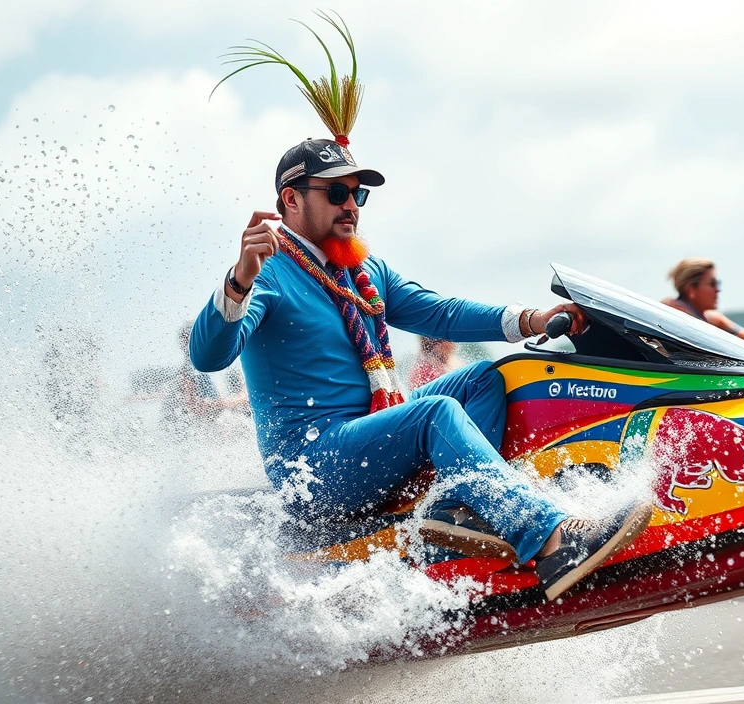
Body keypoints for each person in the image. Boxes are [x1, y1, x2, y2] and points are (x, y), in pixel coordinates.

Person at [192, 27, 651, 601]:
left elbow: (441, 313)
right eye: (336, 194)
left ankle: (458, 514)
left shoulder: (366, 271)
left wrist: (533, 319)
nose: (351, 206)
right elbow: (209, 355)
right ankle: (552, 540)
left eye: (358, 195)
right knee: (434, 413)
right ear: (291, 200)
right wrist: (238, 279)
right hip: (313, 471)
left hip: (368, 441)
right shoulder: (269, 272)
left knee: (492, 377)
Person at [663, 258, 744, 353]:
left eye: (718, 283)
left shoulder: (714, 319)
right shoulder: (671, 312)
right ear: (691, 290)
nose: (718, 290)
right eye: (712, 284)